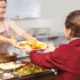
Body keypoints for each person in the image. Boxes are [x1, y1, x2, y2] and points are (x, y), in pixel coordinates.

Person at [21, 10, 80, 80]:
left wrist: (30, 52)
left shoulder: (64, 51)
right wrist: (55, 50)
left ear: (69, 31)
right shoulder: (65, 51)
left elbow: (41, 60)